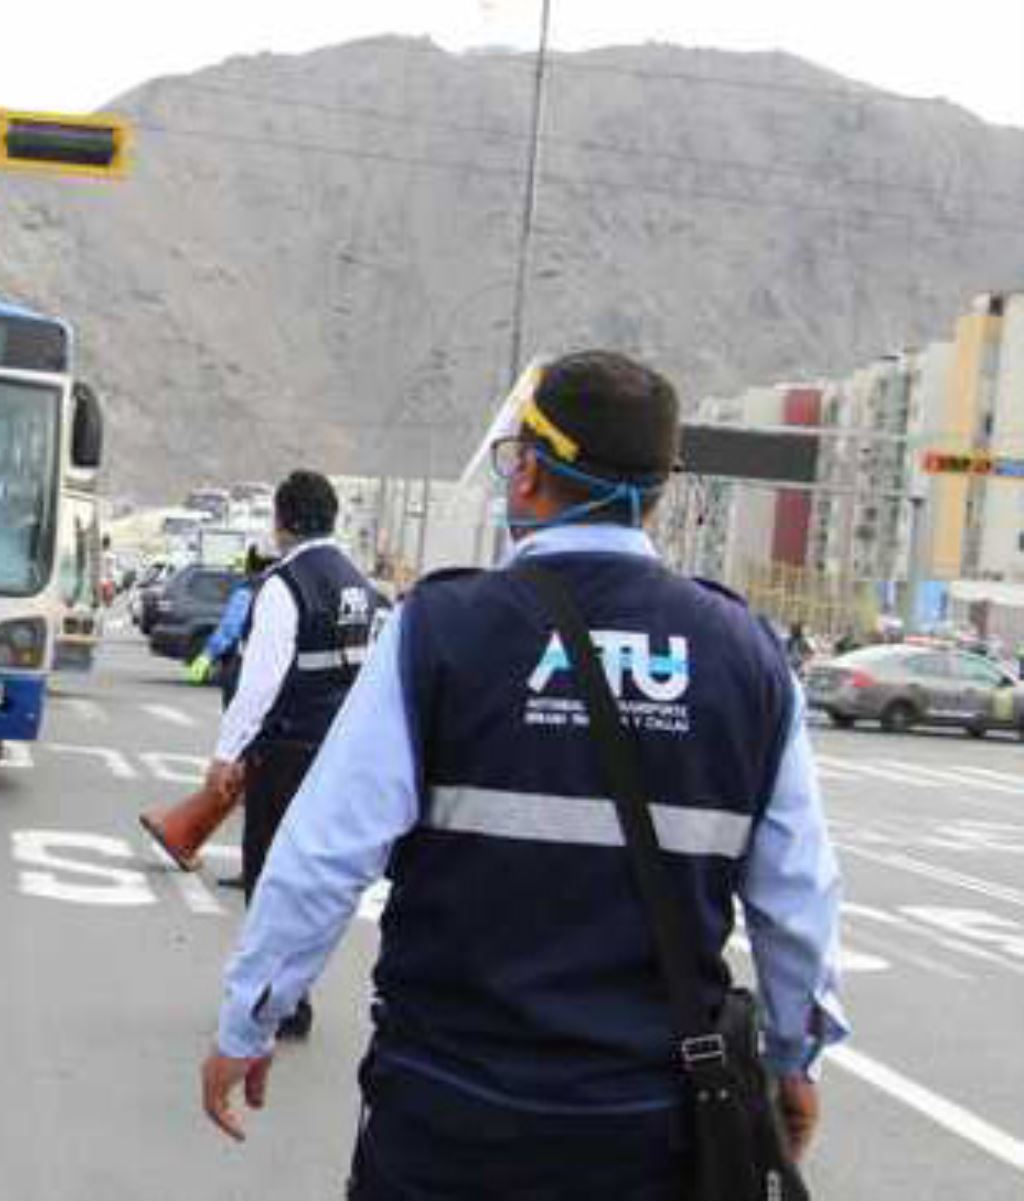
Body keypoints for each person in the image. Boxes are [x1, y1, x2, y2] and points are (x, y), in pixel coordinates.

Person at [200, 351, 848, 1198]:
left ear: (532, 470)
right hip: (645, 1131)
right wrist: (794, 1056)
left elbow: (323, 854)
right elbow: (798, 897)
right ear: (659, 488)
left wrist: (251, 1016)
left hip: (446, 1116)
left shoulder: (442, 631)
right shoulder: (747, 657)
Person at [203, 469, 382, 1040]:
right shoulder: (362, 586)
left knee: (269, 876)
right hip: (340, 755)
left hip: (286, 751)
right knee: (312, 879)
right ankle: (296, 995)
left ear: (282, 521)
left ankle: (270, 1002)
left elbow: (259, 682)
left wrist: (226, 753)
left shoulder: (286, 585)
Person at [185, 545, 272, 697]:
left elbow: (230, 629)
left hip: (245, 666)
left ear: (249, 566)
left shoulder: (247, 592)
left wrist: (207, 656)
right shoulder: (282, 589)